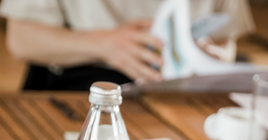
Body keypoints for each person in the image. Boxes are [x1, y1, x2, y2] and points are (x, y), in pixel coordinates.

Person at [0, 0, 254, 90]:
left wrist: (212, 55)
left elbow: (226, 40)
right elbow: (20, 39)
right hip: (80, 81)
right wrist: (104, 44)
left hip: (180, 88)